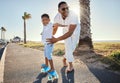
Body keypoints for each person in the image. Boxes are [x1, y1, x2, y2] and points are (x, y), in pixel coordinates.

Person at [47, 1, 80, 72]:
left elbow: (70, 32)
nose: (66, 10)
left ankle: (64, 58)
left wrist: (57, 39)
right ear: (59, 10)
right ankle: (70, 66)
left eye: (67, 8)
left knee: (72, 48)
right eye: (63, 9)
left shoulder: (73, 15)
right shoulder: (56, 18)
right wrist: (50, 36)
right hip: (66, 29)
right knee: (68, 47)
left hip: (75, 30)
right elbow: (54, 29)